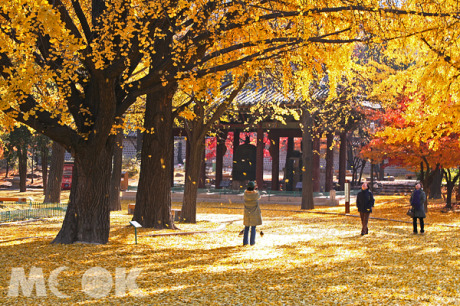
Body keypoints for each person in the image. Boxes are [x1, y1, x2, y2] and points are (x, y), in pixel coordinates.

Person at [243, 181, 262, 245]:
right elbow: (259, 197)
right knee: (253, 227)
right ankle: (252, 242)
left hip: (247, 212)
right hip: (254, 213)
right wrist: (255, 189)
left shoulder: (245, 194)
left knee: (246, 227)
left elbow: (246, 191)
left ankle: (245, 242)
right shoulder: (256, 194)